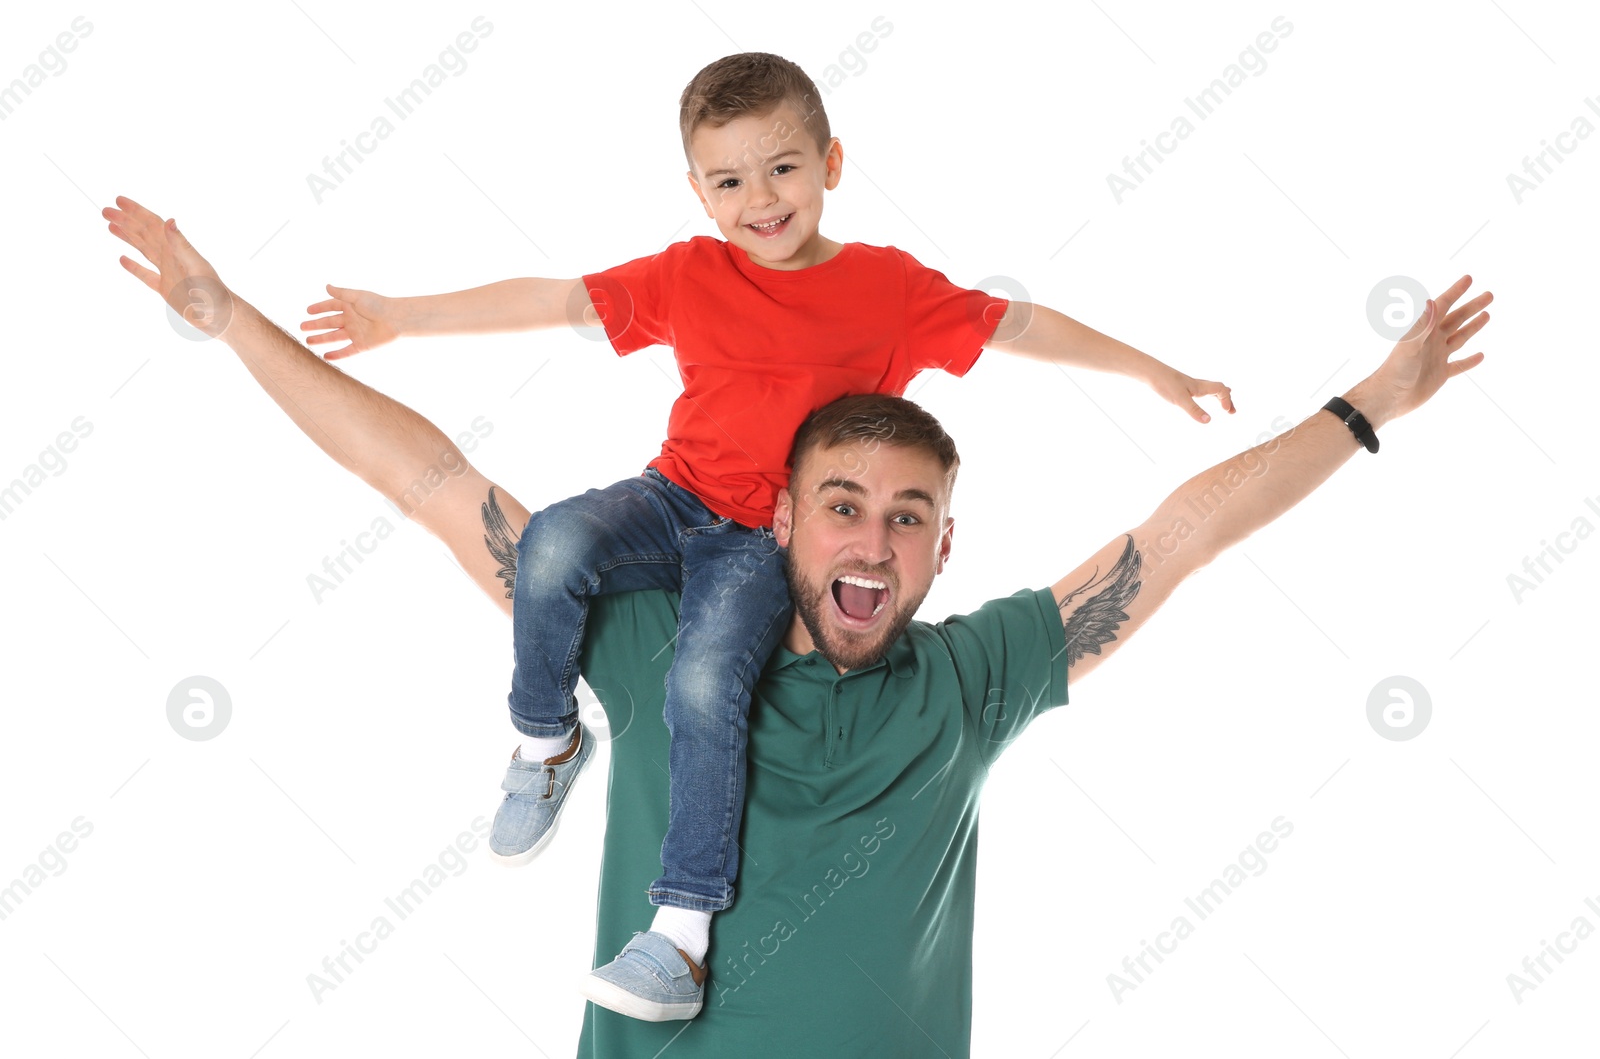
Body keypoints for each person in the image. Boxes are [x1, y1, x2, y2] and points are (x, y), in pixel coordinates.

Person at [102, 197, 1490, 1056]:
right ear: (780, 522)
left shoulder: (978, 675)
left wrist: (1368, 405)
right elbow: (420, 478)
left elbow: (1185, 533)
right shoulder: (651, 640)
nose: (871, 539)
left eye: (906, 516)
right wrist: (234, 324)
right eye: (841, 505)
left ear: (948, 547)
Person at [288, 50, 1236, 1018]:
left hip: (761, 542)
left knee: (702, 683)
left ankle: (680, 935)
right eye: (728, 180)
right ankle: (546, 738)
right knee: (553, 546)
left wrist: (1151, 369)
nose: (760, 199)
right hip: (672, 497)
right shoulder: (688, 274)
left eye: (782, 168)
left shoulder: (886, 290)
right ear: (696, 192)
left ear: (831, 162)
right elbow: (557, 300)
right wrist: (400, 316)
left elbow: (1014, 325)